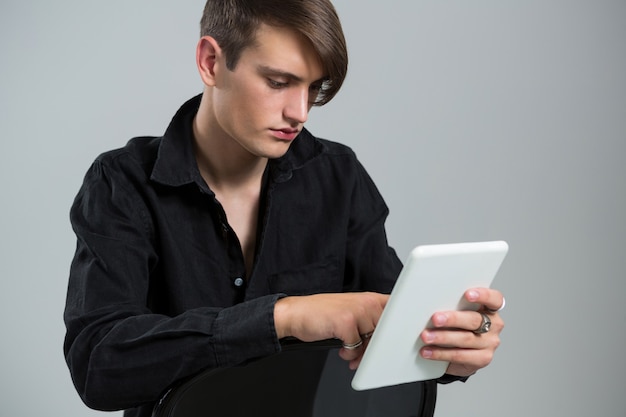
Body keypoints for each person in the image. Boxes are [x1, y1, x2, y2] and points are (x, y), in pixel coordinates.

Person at [63, 1, 506, 416]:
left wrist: (455, 349)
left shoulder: (338, 176)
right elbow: (97, 365)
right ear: (211, 62)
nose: (300, 112)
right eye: (278, 82)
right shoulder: (121, 183)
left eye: (313, 88)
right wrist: (284, 316)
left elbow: (394, 329)